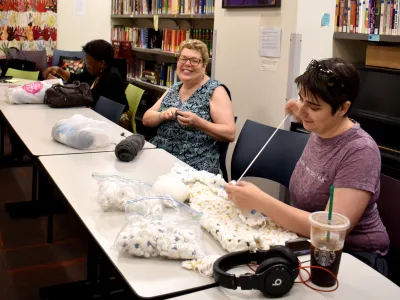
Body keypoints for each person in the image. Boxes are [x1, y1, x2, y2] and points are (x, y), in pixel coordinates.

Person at [225, 58, 390, 275]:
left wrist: (260, 201)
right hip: (307, 241)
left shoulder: (360, 151)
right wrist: (304, 107)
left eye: (313, 106)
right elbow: (309, 110)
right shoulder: (321, 127)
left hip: (353, 256)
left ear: (342, 108)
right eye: (302, 99)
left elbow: (330, 232)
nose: (303, 111)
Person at [142, 39, 236, 174]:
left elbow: (230, 133)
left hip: (194, 165)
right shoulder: (175, 87)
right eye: (183, 58)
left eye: (194, 60)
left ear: (204, 66)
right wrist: (162, 115)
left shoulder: (215, 91)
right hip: (160, 156)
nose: (187, 64)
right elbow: (146, 119)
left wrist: (198, 123)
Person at [42, 39, 127, 107]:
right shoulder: (97, 72)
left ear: (102, 63)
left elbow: (88, 98)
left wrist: (61, 90)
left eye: (89, 62)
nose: (87, 64)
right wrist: (58, 71)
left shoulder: (111, 77)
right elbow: (78, 79)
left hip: (114, 121)